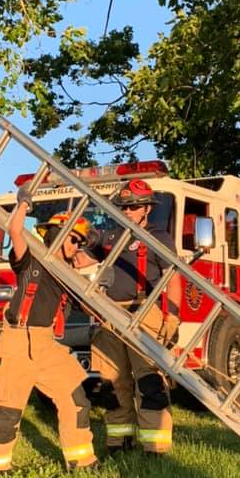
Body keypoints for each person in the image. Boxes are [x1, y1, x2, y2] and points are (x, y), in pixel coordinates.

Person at [0, 191, 99, 474]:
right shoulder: (30, 261)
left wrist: (85, 265)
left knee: (76, 400)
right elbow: (16, 230)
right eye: (74, 239)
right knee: (8, 410)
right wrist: (23, 203)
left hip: (47, 345)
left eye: (80, 242)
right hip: (17, 342)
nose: (76, 246)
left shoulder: (71, 276)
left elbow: (94, 298)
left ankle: (82, 461)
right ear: (57, 235)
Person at [85, 178, 181, 457]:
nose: (127, 212)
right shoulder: (109, 237)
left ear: (147, 209)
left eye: (134, 207)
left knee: (149, 381)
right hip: (110, 314)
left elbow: (172, 277)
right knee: (112, 383)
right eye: (124, 207)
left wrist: (171, 316)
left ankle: (156, 447)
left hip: (145, 312)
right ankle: (118, 442)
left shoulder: (158, 237)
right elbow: (82, 259)